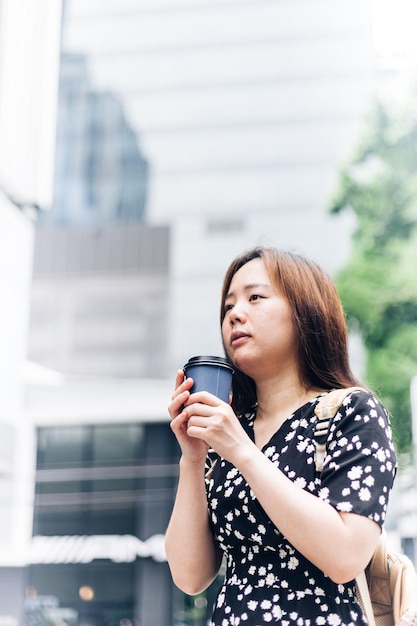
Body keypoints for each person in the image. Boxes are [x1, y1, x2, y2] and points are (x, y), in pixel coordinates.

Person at [165, 246, 397, 625]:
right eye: (228, 308)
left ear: (305, 311)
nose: (235, 314)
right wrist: (192, 457)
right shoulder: (228, 431)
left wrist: (242, 452)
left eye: (255, 297)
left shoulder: (351, 411)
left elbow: (345, 557)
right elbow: (190, 577)